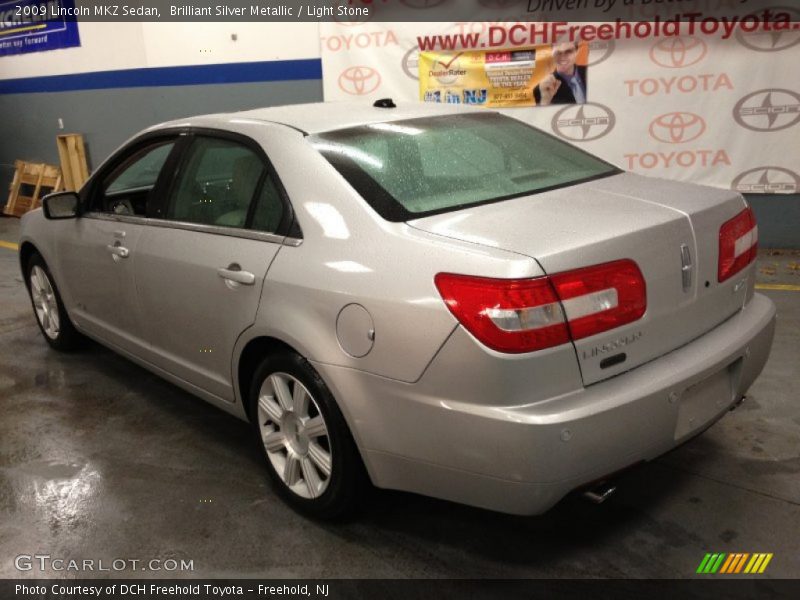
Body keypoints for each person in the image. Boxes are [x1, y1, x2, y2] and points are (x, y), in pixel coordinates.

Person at [533, 41, 588, 106]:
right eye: (557, 52)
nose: (562, 57)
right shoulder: (542, 89)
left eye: (568, 51)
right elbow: (541, 115)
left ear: (576, 52)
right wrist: (545, 100)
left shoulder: (591, 71)